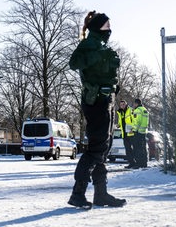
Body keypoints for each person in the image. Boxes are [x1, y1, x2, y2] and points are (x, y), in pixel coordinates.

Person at [68, 11, 126, 208]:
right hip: (95, 102)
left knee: (104, 148)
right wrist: (97, 55)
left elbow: (105, 73)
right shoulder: (89, 44)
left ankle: (101, 194)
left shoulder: (102, 45)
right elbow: (73, 63)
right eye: (106, 25)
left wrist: (114, 85)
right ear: (97, 27)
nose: (110, 29)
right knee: (96, 149)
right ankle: (78, 194)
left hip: (106, 101)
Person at [131, 98, 149, 168]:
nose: (133, 105)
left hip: (137, 132)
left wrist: (134, 130)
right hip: (143, 131)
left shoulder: (137, 110)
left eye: (134, 104)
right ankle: (144, 163)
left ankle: (138, 163)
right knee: (143, 148)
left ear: (136, 103)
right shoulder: (145, 110)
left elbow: (137, 121)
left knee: (137, 148)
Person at [117, 99, 135, 168]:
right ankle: (131, 163)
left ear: (126, 104)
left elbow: (134, 120)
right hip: (124, 133)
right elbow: (120, 121)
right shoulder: (120, 112)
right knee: (127, 149)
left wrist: (133, 129)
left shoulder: (130, 110)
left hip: (131, 133)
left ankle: (135, 162)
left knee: (133, 148)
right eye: (121, 105)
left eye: (123, 104)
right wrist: (118, 125)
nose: (122, 106)